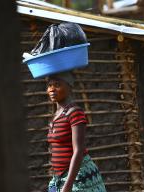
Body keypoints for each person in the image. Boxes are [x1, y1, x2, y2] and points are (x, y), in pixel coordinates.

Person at [33, 23, 106, 192]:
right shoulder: (57, 114)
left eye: (57, 84)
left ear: (70, 86)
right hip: (59, 178)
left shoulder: (75, 113)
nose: (51, 89)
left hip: (78, 179)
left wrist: (67, 186)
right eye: (49, 85)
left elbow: (78, 151)